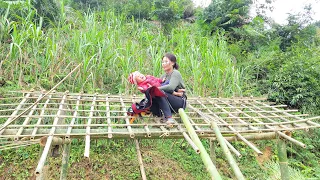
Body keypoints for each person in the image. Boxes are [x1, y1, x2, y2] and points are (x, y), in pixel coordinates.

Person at [149, 53, 187, 126]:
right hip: (168, 99)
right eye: (162, 62)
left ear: (172, 63)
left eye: (166, 62)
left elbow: (170, 87)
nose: (163, 64)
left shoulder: (175, 73)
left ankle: (169, 117)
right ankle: (158, 115)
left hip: (179, 101)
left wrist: (155, 89)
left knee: (158, 91)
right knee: (152, 94)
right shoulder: (164, 76)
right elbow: (158, 85)